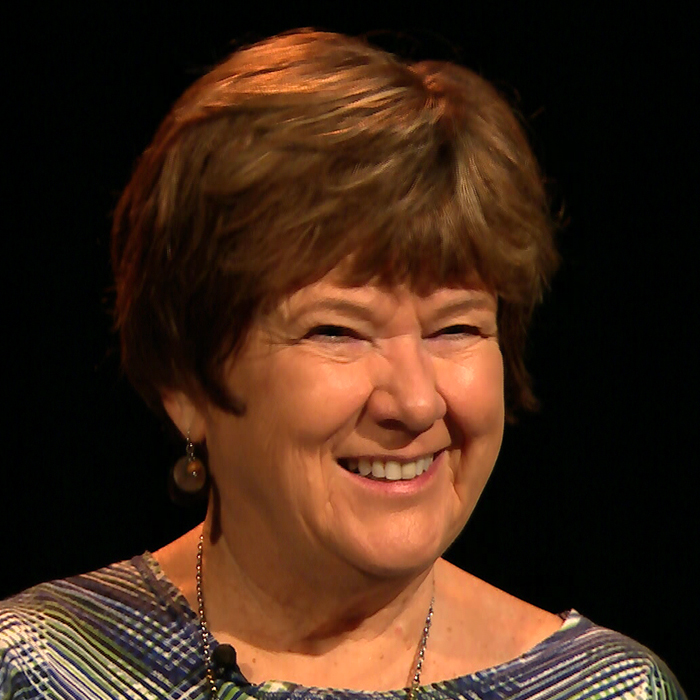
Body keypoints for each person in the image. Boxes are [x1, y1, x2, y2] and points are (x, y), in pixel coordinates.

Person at [0, 29, 685, 700]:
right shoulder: (37, 670)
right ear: (186, 378)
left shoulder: (608, 691)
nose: (416, 403)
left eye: (455, 327)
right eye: (338, 331)